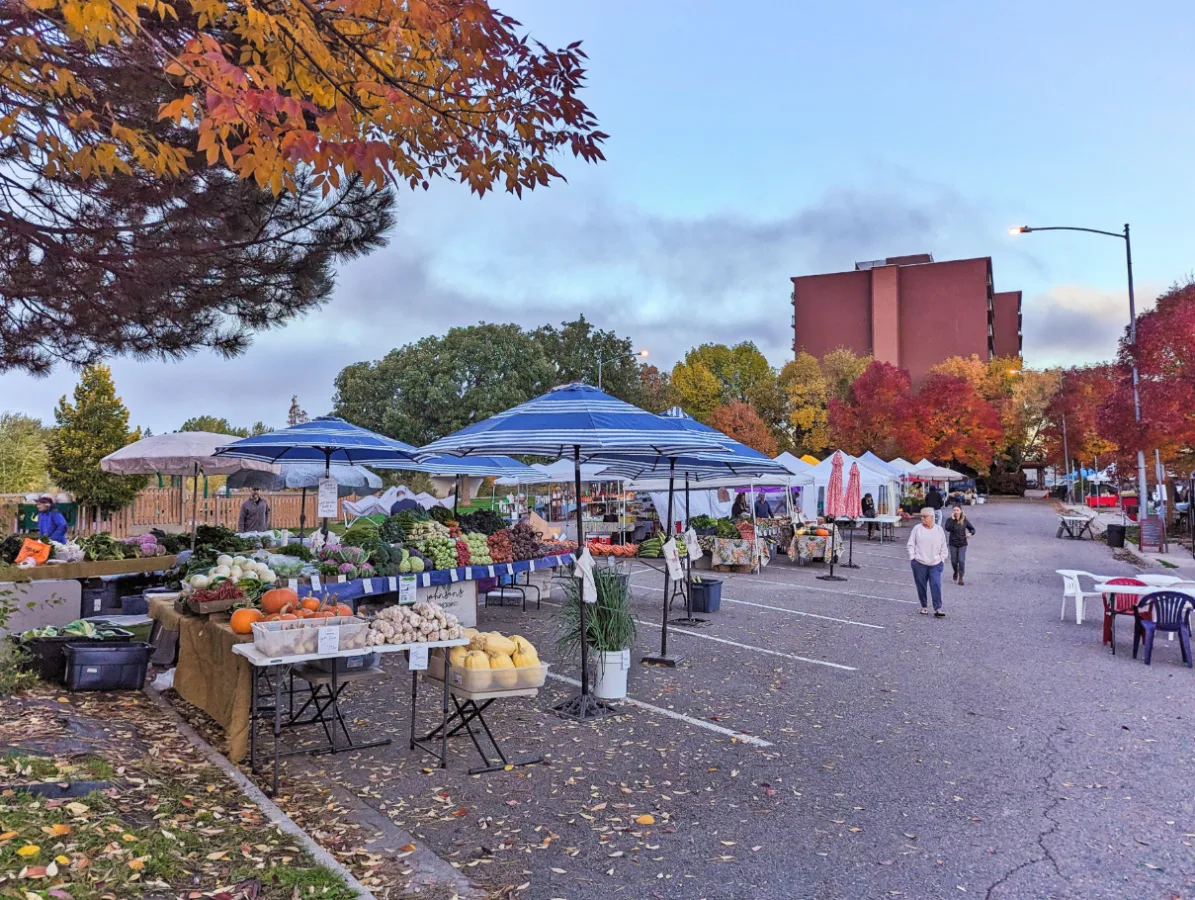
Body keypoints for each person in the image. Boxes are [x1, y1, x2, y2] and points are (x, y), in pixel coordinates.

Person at [907, 506, 948, 617]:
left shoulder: (939, 530)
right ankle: (924, 606)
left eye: (925, 516)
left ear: (932, 517)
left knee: (936, 584)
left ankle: (938, 608)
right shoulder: (917, 529)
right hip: (919, 563)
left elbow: (944, 546)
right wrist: (912, 558)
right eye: (921, 516)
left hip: (936, 563)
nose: (922, 519)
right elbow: (911, 544)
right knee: (921, 585)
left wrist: (942, 559)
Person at [943, 505, 976, 585]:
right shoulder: (950, 520)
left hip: (962, 543)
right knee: (954, 561)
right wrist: (952, 520)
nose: (956, 512)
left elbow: (973, 529)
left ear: (961, 511)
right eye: (954, 510)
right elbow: (947, 528)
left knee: (961, 560)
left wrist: (970, 533)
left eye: (957, 510)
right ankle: (955, 571)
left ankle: (961, 577)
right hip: (953, 543)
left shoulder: (964, 520)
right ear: (952, 511)